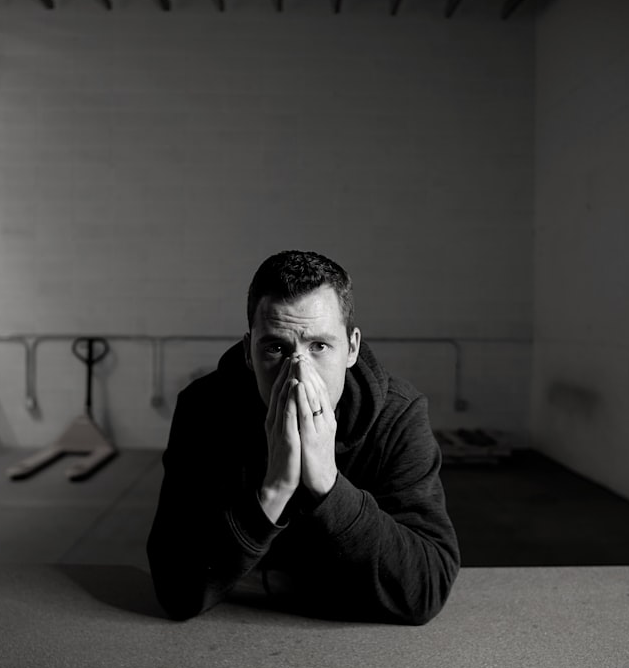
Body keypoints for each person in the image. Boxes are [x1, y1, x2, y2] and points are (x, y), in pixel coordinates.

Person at [146, 250, 460, 625]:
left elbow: (425, 590)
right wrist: (274, 490)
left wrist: (328, 484)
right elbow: (175, 591)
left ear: (352, 348)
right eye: (276, 348)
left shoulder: (398, 416)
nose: (298, 374)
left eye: (319, 346)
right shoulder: (204, 410)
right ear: (249, 352)